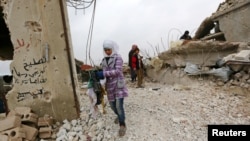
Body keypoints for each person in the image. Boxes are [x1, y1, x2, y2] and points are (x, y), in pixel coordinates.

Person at [95, 40, 128, 136]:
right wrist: (100, 78)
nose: (107, 52)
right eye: (105, 50)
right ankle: (120, 115)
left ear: (113, 49)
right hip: (109, 86)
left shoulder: (118, 58)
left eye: (109, 49)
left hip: (118, 85)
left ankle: (122, 124)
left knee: (119, 105)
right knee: (113, 106)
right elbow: (105, 73)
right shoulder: (104, 60)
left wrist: (104, 73)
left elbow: (117, 71)